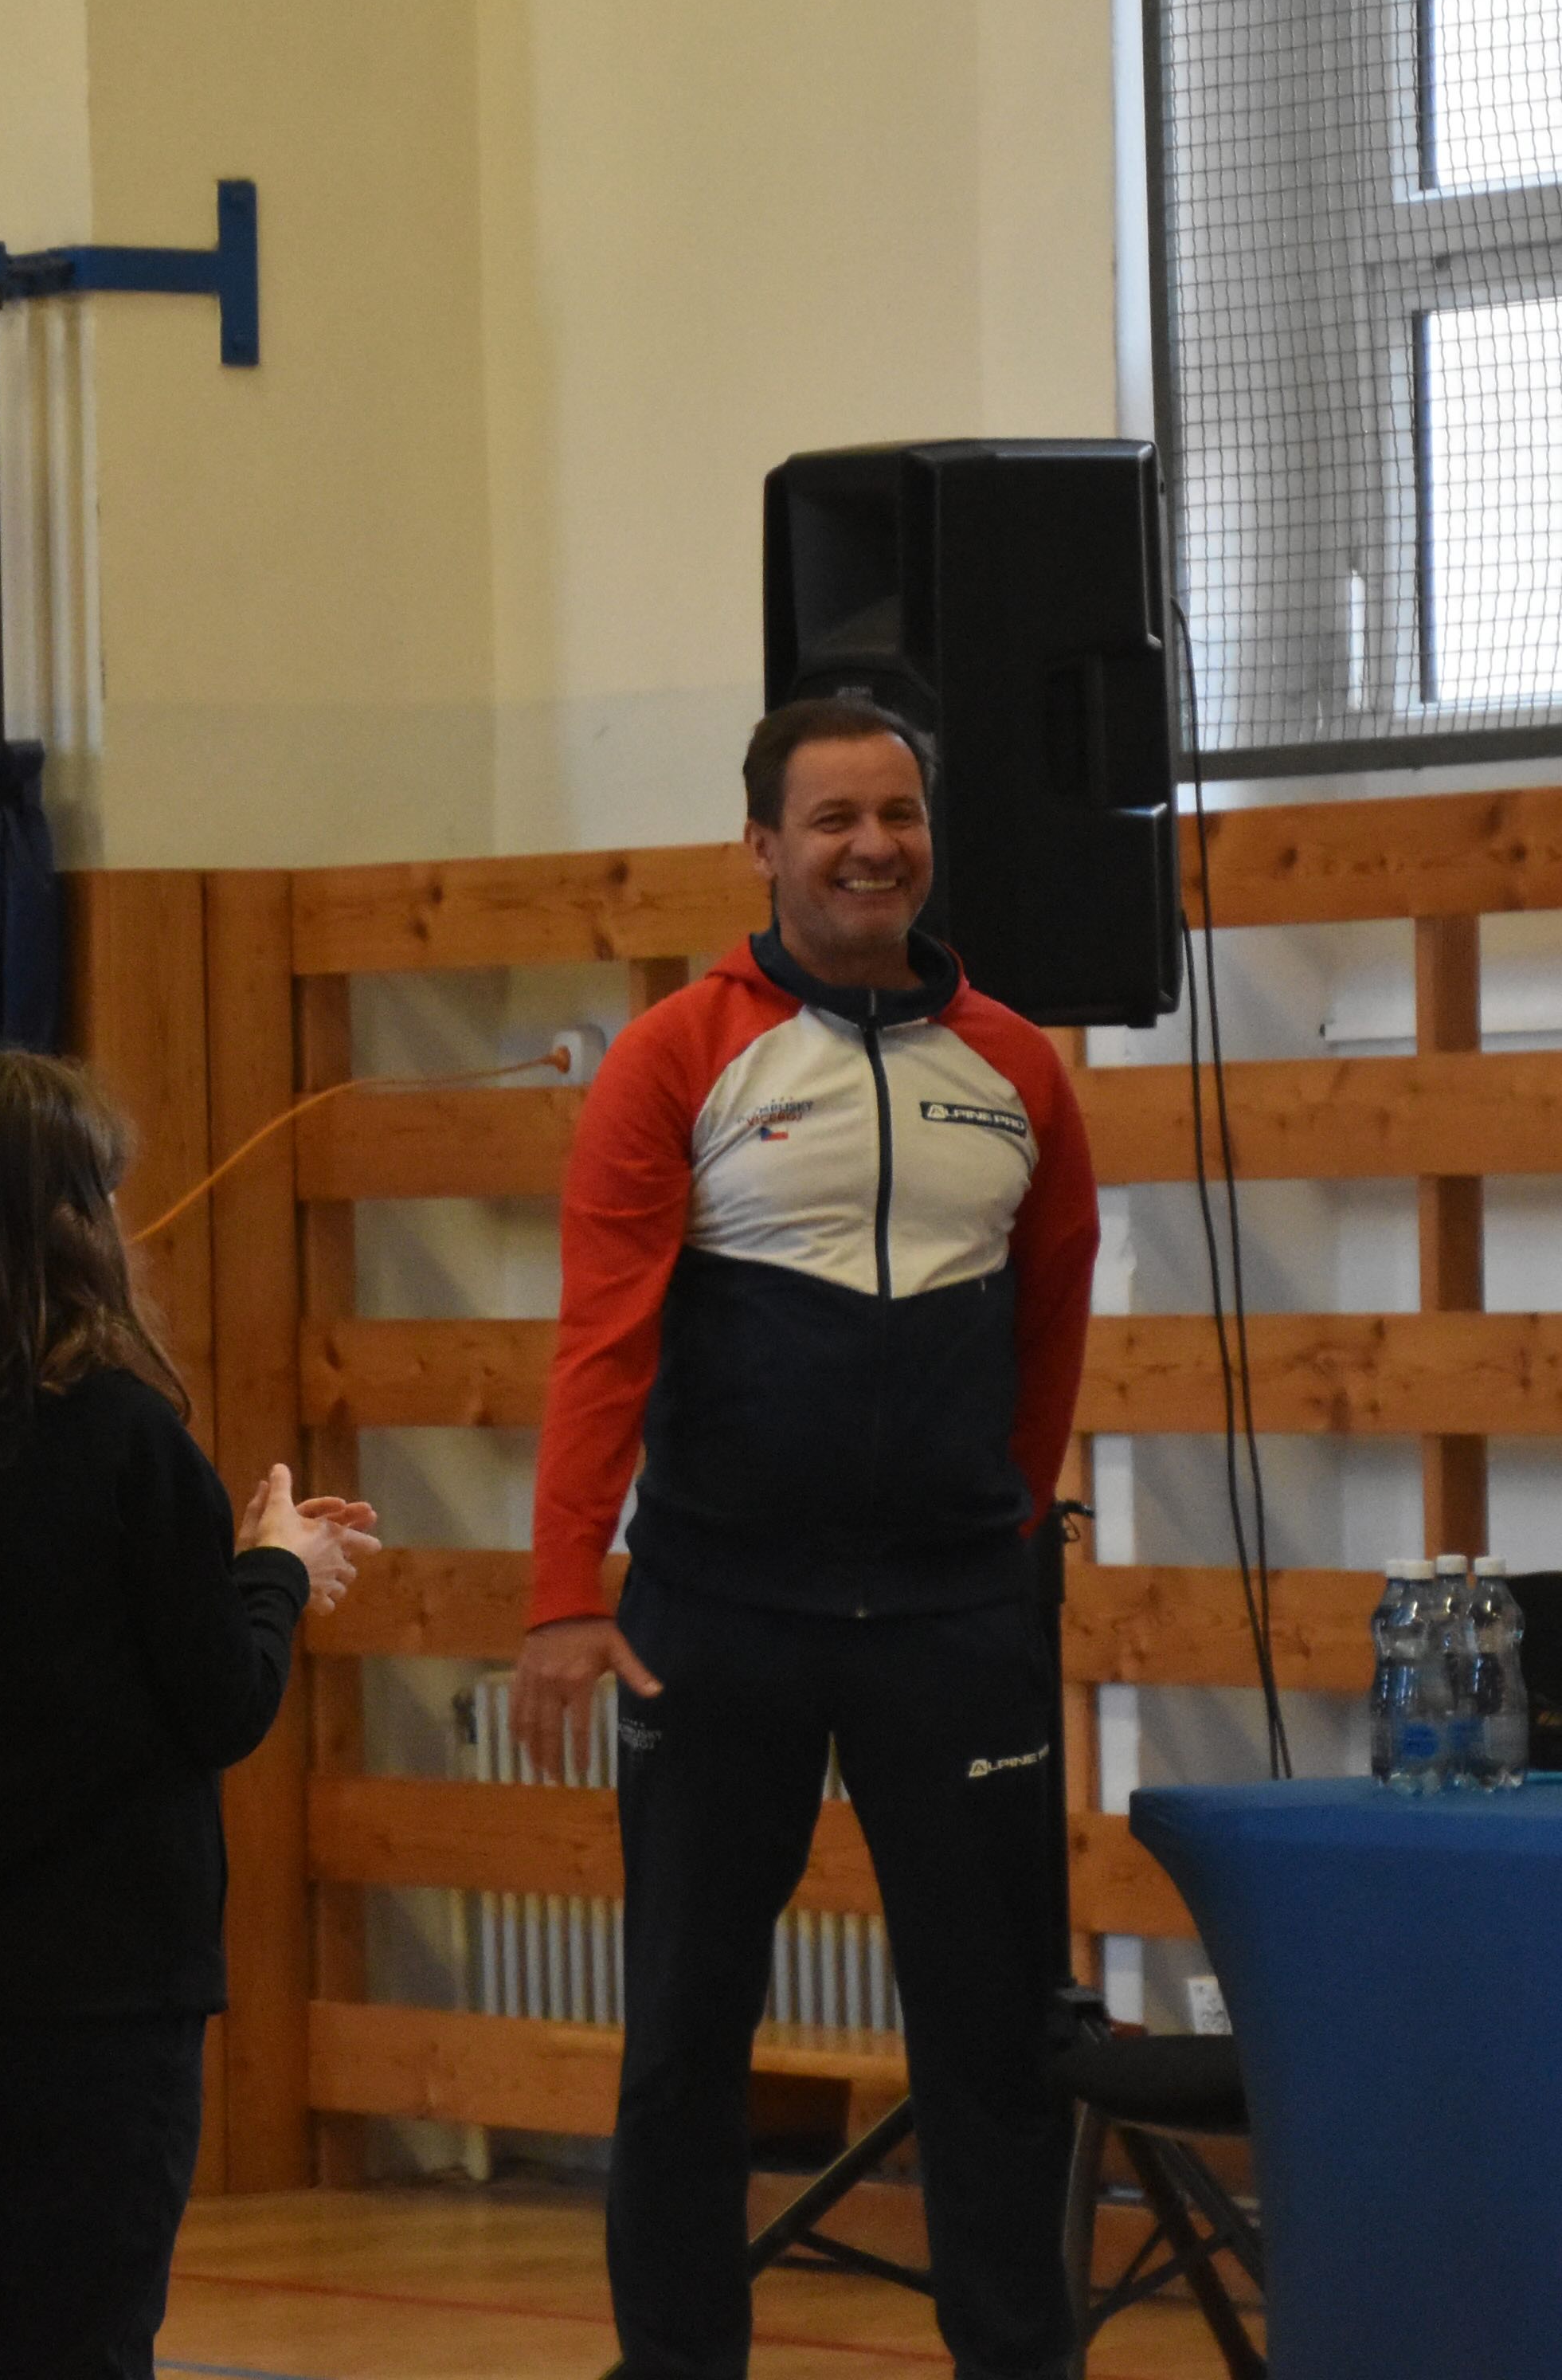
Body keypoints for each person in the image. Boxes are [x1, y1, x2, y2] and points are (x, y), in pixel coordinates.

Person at [512, 695, 1100, 2380]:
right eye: (834, 817)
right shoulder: (676, 1055)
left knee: (993, 2037)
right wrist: (563, 1592)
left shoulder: (1020, 1068)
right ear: (761, 846)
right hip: (720, 1615)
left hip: (952, 1618)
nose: (872, 847)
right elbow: (603, 1340)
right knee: (685, 2038)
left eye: (899, 814)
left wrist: (992, 1537)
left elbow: (1048, 1332)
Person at [0, 1047, 375, 2380]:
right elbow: (221, 1703)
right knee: (84, 2342)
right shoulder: (128, 1434)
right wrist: (276, 1571)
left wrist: (243, 1569)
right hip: (109, 1979)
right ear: (68, 1221)